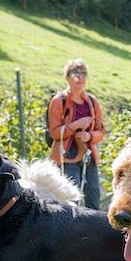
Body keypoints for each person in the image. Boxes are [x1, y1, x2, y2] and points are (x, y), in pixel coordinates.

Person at [47, 59, 106, 208]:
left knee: (93, 196)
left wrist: (89, 136)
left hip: (88, 155)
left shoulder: (92, 102)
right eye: (75, 73)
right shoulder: (59, 101)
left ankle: (93, 231)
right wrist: (75, 126)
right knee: (70, 200)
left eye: (83, 73)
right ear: (67, 77)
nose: (80, 77)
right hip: (67, 156)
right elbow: (54, 133)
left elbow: (101, 130)